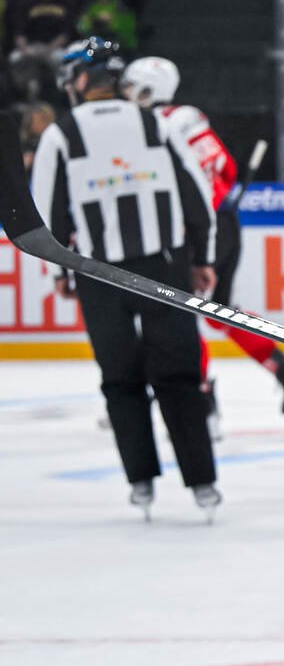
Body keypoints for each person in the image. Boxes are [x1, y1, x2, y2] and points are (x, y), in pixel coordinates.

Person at [30, 37, 220, 522]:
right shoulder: (154, 123)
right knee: (180, 375)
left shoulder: (61, 134)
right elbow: (196, 195)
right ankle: (202, 483)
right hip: (165, 265)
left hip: (100, 273)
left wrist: (59, 271)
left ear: (79, 79)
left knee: (120, 379)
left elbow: (47, 216)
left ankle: (140, 481)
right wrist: (202, 256)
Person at [122, 55, 284, 425]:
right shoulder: (193, 119)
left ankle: (202, 405)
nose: (127, 95)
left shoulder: (152, 126)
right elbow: (226, 170)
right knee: (218, 312)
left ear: (150, 90)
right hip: (224, 223)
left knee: (178, 315)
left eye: (132, 88)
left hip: (192, 231)